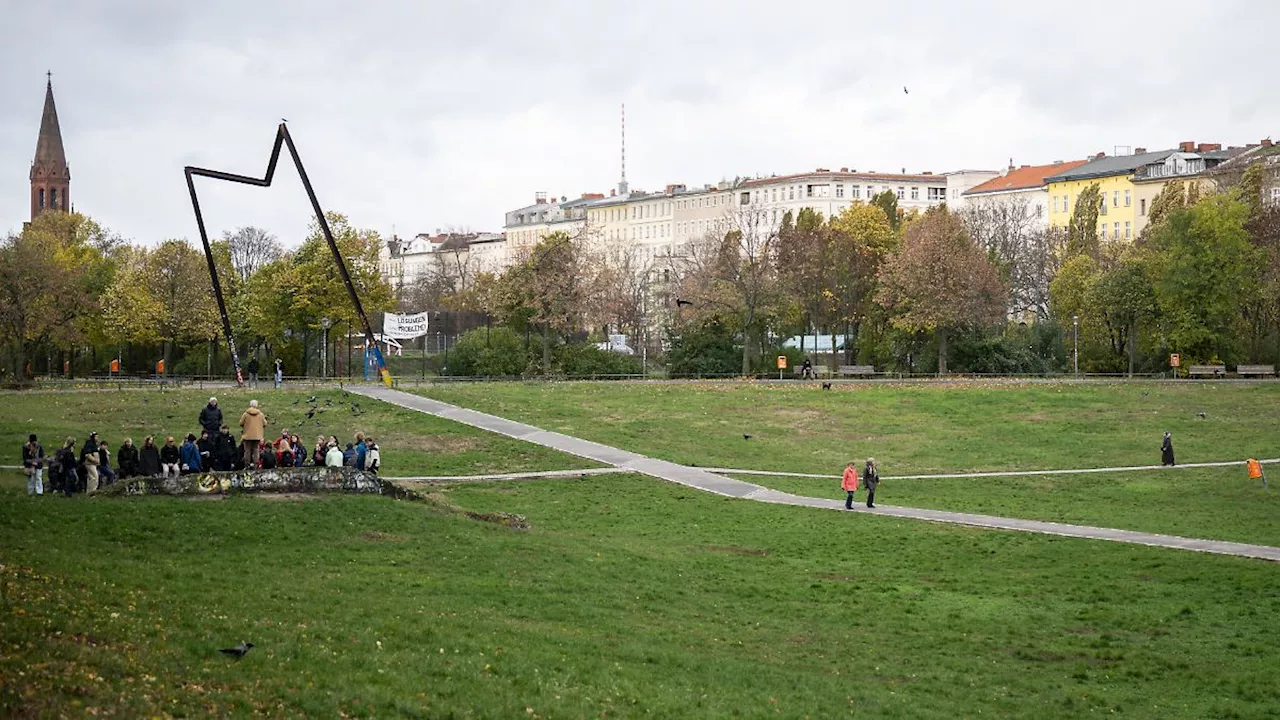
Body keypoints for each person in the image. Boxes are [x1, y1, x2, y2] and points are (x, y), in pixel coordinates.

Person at [239, 400, 268, 469]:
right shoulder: (260, 414)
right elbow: (265, 423)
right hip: (257, 436)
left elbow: (241, 423)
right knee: (256, 450)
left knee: (247, 450)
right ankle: (255, 464)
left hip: (247, 435)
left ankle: (247, 465)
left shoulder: (246, 414)